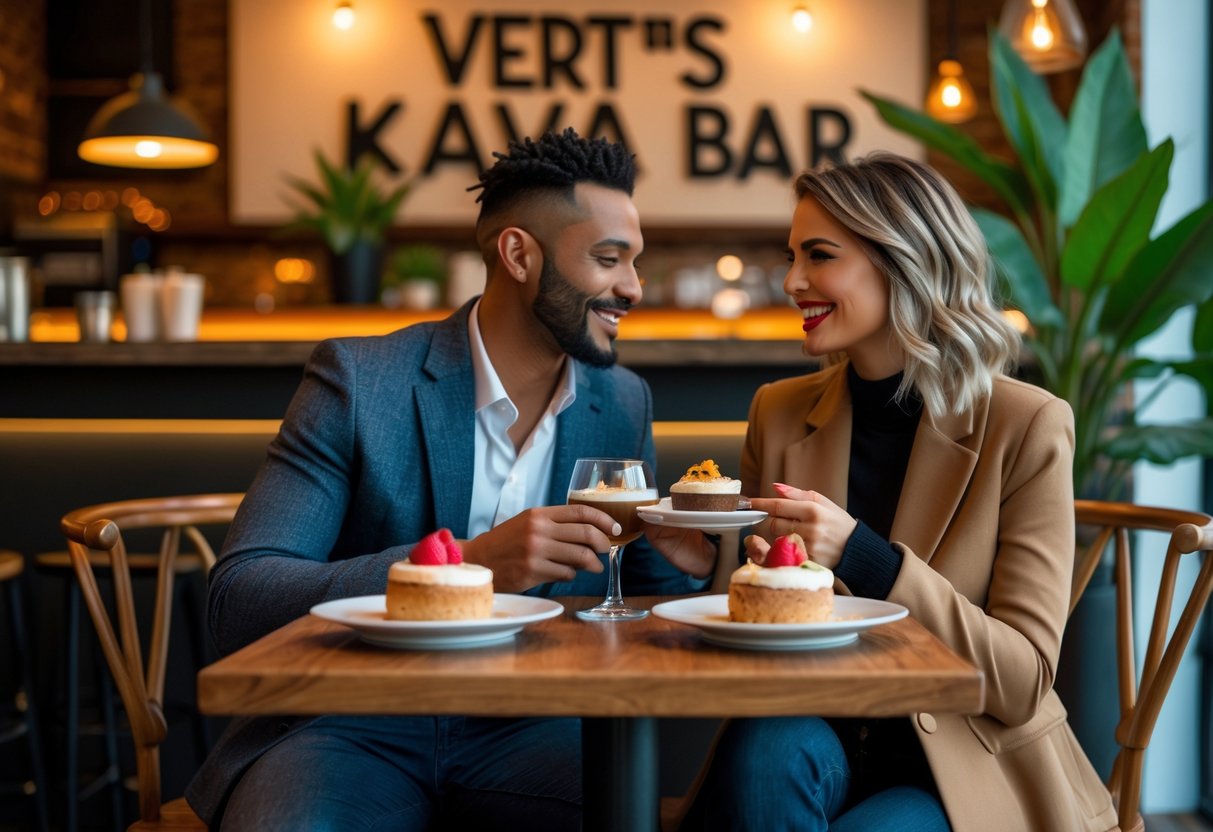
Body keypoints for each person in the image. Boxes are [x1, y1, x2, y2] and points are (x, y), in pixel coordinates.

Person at [186, 128, 715, 831]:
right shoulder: (360, 381)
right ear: (519, 254)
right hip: (348, 721)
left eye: (633, 262)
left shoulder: (619, 402)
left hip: (532, 724)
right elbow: (240, 601)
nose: (632, 288)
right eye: (607, 259)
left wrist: (690, 564)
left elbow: (634, 595)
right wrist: (471, 565)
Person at [680, 154, 1117, 832]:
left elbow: (1022, 678)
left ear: (904, 261)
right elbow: (744, 626)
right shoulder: (779, 411)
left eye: (818, 256)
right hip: (812, 737)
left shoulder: (1024, 425)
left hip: (961, 769)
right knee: (763, 749)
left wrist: (864, 557)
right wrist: (694, 561)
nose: (793, 281)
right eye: (792, 256)